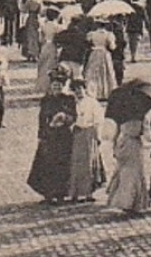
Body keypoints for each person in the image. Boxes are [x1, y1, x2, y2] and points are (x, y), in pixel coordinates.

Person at [103, 79, 151, 215]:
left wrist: (114, 145)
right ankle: (131, 202)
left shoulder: (120, 113)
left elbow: (115, 131)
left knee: (123, 172)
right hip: (134, 145)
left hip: (123, 142)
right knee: (135, 173)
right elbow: (148, 135)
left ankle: (124, 201)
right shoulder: (141, 117)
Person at [26, 69, 75, 204]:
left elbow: (74, 116)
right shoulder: (46, 100)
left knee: (62, 164)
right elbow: (41, 118)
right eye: (54, 86)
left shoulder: (69, 99)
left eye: (59, 86)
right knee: (46, 164)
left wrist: (65, 118)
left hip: (64, 136)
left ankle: (60, 194)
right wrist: (41, 135)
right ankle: (48, 194)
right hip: (50, 135)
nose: (56, 88)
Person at [82, 21, 117, 102]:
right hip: (104, 53)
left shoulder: (92, 34)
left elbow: (88, 43)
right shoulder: (109, 34)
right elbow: (112, 47)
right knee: (106, 72)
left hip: (94, 53)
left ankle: (93, 92)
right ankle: (105, 92)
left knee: (93, 73)